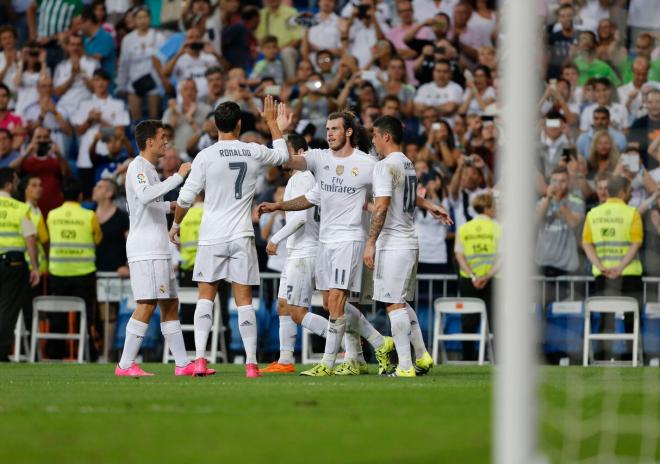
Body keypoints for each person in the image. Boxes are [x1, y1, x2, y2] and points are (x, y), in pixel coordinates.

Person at [258, 110, 397, 377]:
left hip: (349, 239)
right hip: (325, 241)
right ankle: (380, 343)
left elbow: (385, 199)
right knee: (330, 303)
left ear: (348, 132)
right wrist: (278, 206)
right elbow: (291, 168)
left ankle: (328, 363)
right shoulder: (319, 159)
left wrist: (372, 241)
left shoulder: (367, 163)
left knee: (336, 300)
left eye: (335, 128)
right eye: (328, 128)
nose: (330, 133)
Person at [169, 96, 289, 378]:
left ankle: (200, 359)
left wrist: (175, 225)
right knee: (244, 300)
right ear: (239, 124)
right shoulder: (252, 151)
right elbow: (283, 157)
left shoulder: (205, 156)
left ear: (215, 125)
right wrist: (273, 123)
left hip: (212, 236)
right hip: (241, 235)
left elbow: (185, 198)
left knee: (205, 297)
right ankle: (251, 364)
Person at [364, 115, 452, 377]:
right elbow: (408, 196)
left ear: (386, 136)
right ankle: (422, 356)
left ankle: (404, 366)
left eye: (375, 136)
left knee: (393, 304)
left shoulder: (385, 166)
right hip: (408, 241)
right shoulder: (406, 162)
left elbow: (382, 206)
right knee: (399, 301)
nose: (373, 141)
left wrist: (371, 241)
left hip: (393, 243)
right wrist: (430, 205)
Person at [116, 120, 200, 377]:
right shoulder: (137, 167)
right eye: (162, 136)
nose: (166, 141)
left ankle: (182, 364)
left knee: (170, 303)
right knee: (147, 303)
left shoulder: (149, 170)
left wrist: (168, 206)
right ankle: (125, 364)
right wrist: (178, 177)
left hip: (157, 246)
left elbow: (143, 204)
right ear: (149, 141)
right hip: (146, 248)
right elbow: (144, 196)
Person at [259, 134, 330, 374]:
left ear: (300, 153)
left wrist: (275, 238)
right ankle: (285, 359)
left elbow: (300, 219)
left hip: (305, 251)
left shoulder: (302, 177)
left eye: (286, 151)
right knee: (282, 305)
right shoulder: (299, 179)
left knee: (297, 312)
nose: (282, 157)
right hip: (297, 251)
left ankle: (341, 340)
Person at [582, 175, 644, 359]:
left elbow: (586, 243)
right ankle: (631, 357)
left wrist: (600, 266)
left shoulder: (593, 214)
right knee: (633, 319)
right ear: (623, 192)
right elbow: (636, 243)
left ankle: (601, 357)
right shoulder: (632, 213)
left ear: (608, 191)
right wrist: (620, 267)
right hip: (629, 274)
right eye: (630, 191)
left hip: (603, 275)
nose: (631, 194)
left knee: (604, 317)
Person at [46, 180, 102, 360]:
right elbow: (98, 239)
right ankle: (86, 353)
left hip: (58, 272)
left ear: (62, 196)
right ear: (80, 196)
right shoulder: (89, 215)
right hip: (84, 272)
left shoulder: (52, 215)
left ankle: (55, 353)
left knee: (58, 315)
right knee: (85, 315)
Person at [454, 192, 500, 361]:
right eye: (494, 207)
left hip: (469, 280)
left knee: (469, 321)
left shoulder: (464, 228)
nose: (495, 210)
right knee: (496, 321)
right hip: (493, 280)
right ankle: (498, 360)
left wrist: (473, 276)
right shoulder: (498, 228)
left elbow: (459, 255)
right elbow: (502, 257)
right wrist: (486, 276)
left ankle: (468, 359)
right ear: (487, 208)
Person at [0, 167, 39, 362]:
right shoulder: (20, 208)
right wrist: (35, 267)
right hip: (13, 264)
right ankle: (1, 351)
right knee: (8, 308)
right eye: (15, 181)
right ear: (8, 184)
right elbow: (30, 239)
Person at [71, 69, 130, 196]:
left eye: (103, 80)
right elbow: (79, 131)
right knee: (88, 196)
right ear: (92, 82)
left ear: (108, 82)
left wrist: (101, 121)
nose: (100, 83)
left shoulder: (118, 104)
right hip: (86, 158)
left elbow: (120, 132)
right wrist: (90, 120)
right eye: (97, 80)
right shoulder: (84, 104)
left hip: (108, 158)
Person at [116, 6, 166, 120]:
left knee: (153, 119)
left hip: (154, 82)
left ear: (150, 18)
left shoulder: (159, 37)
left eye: (145, 17)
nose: (142, 20)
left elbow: (163, 61)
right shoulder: (127, 39)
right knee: (136, 120)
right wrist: (121, 86)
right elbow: (123, 64)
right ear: (134, 20)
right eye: (139, 18)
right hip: (134, 83)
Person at [535, 166, 585, 277]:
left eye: (562, 181)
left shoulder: (576, 201)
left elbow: (573, 224)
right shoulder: (542, 202)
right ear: (549, 182)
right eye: (554, 181)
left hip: (567, 266)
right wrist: (548, 198)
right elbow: (535, 220)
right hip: (543, 263)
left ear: (569, 182)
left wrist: (559, 202)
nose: (558, 185)